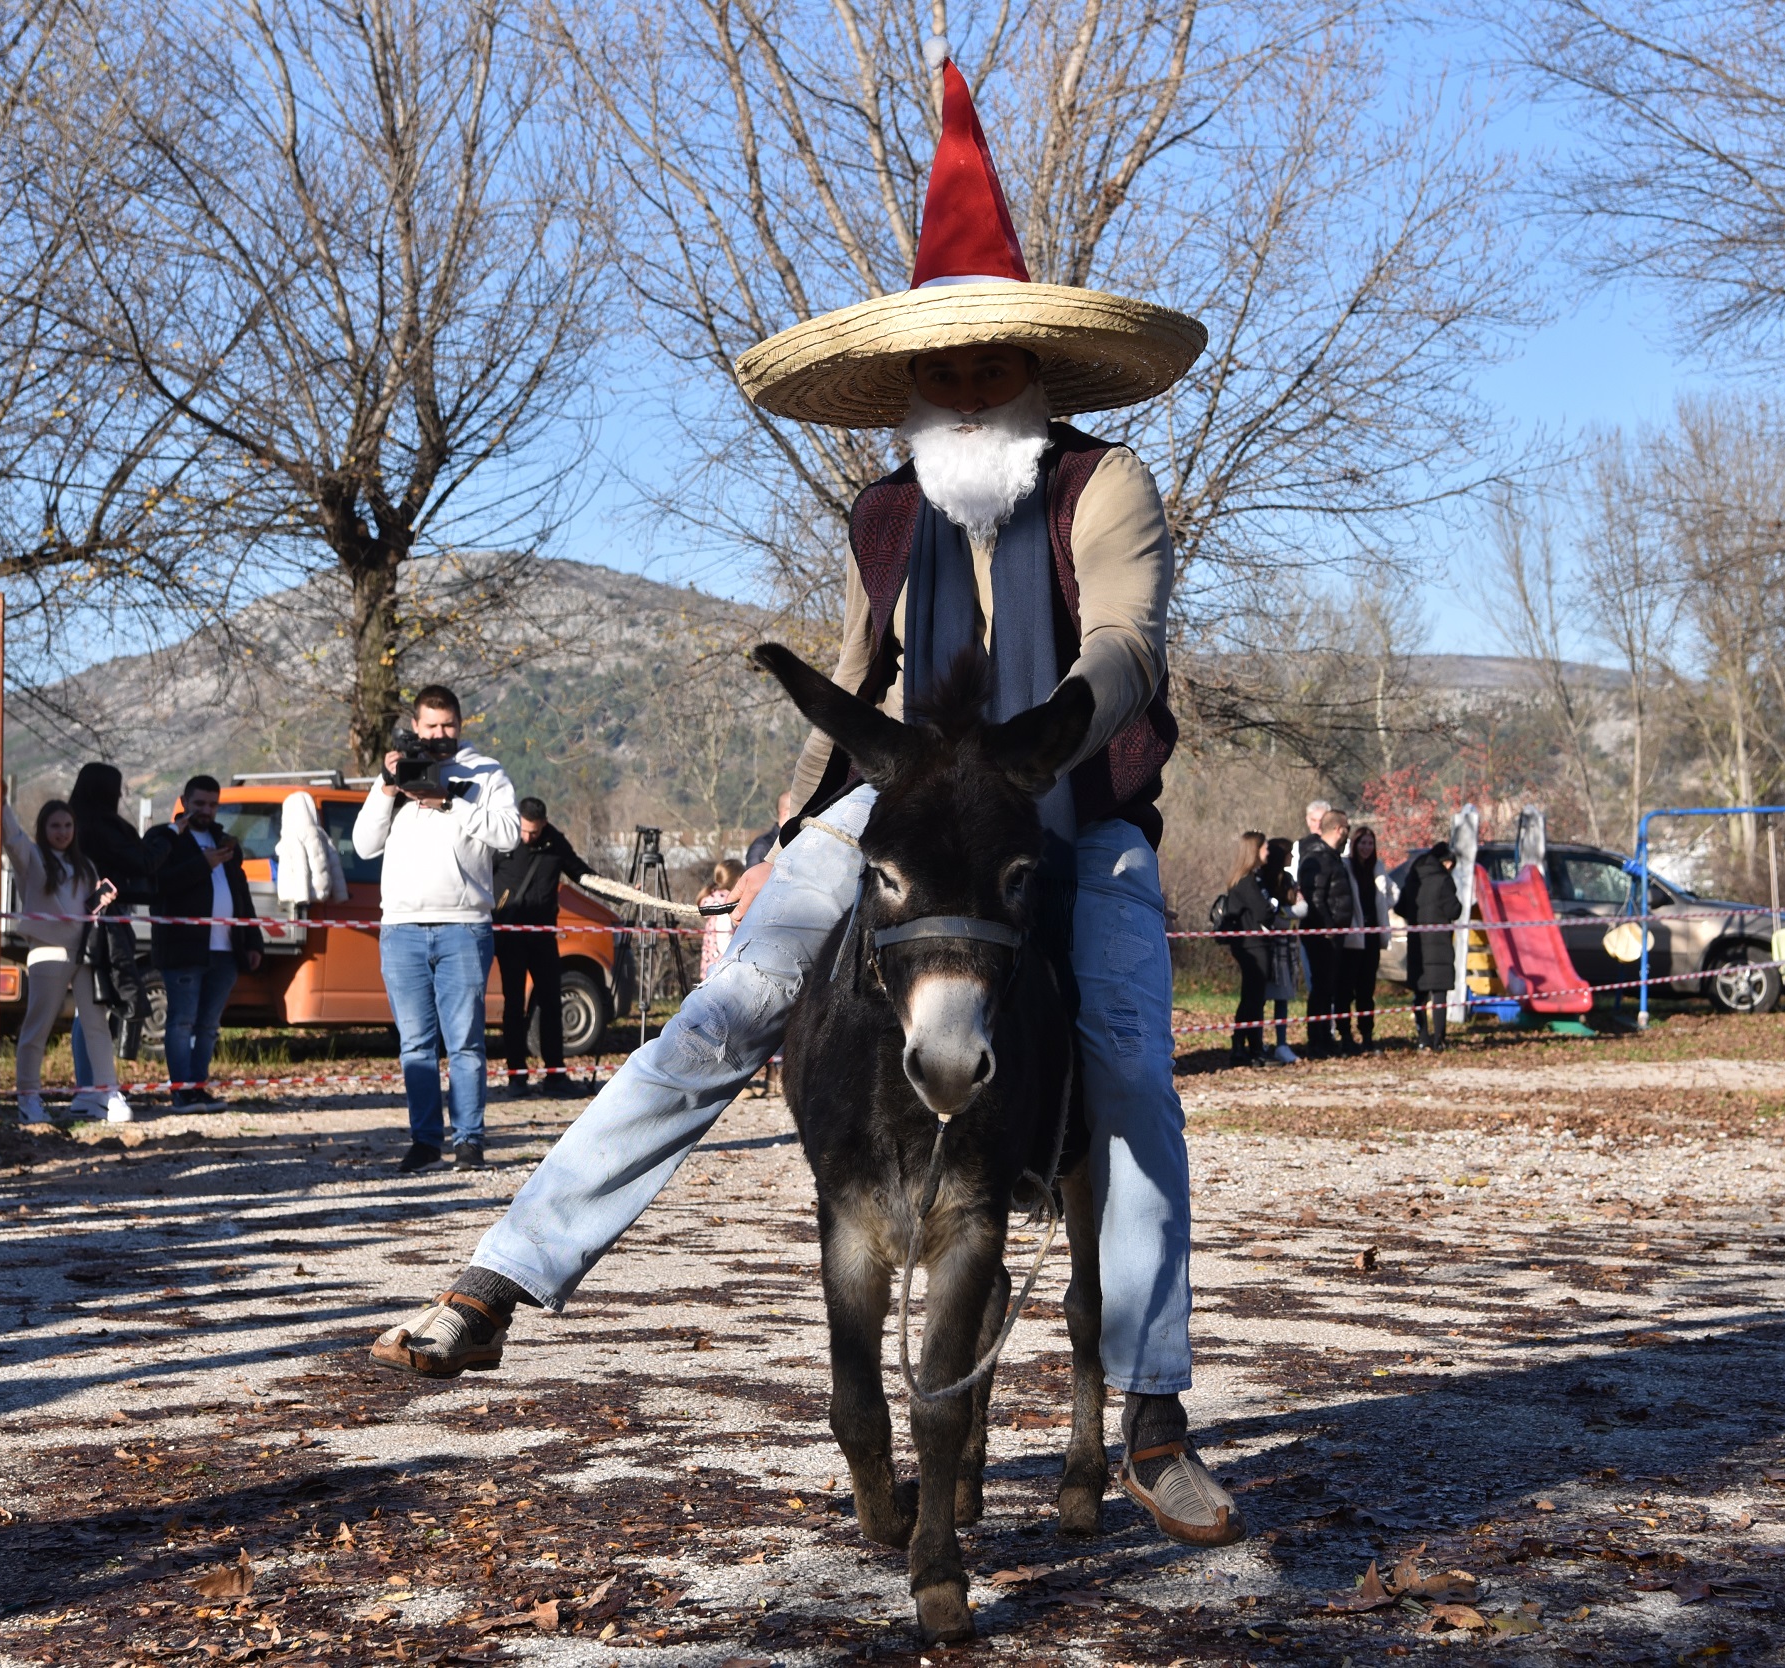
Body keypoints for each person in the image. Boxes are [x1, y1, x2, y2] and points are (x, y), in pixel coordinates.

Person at [363, 55, 1246, 1550]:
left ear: (1034, 368)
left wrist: (1046, 742)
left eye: (991, 364)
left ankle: (1152, 1414)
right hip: (894, 808)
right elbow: (855, 676)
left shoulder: (1106, 483)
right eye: (942, 370)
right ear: (910, 388)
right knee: (727, 1008)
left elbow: (1127, 645)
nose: (967, 388)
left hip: (1069, 808)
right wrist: (788, 827)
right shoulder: (883, 511)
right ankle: (502, 1277)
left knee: (1130, 1069)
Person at [355, 684, 521, 1170]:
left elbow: (509, 833)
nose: (439, 734)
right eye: (430, 726)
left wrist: (447, 799)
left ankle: (468, 1140)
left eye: (448, 725)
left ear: (460, 724)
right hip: (402, 927)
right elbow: (364, 845)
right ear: (415, 725)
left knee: (465, 1042)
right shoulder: (397, 773)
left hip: (463, 927)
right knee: (415, 1045)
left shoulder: (485, 772)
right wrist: (387, 787)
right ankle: (425, 1141)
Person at [1, 798, 131, 1124]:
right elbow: (12, 837)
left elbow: (87, 910)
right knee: (38, 1026)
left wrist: (102, 899)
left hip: (85, 953)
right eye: (55, 826)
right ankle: (28, 1096)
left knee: (96, 1024)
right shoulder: (31, 857)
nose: (62, 832)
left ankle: (106, 1091)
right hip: (48, 950)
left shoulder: (85, 865)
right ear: (43, 829)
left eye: (67, 825)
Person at [142, 775, 265, 1111]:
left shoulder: (225, 842)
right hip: (183, 948)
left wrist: (253, 941)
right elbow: (156, 885)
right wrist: (202, 864)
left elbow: (241, 894)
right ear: (184, 802)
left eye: (212, 804)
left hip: (225, 950)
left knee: (209, 1026)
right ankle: (182, 1092)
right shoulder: (164, 838)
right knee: (181, 1021)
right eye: (199, 804)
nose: (206, 810)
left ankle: (198, 1088)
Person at [492, 796, 593, 1098]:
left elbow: (581, 873)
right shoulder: (503, 839)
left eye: (534, 832)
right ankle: (516, 1077)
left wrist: (620, 893)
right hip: (509, 937)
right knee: (513, 1006)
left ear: (544, 825)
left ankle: (555, 1075)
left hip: (543, 937)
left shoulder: (555, 842)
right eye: (524, 831)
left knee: (551, 1003)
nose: (527, 837)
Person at [65, 762, 151, 1106]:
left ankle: (92, 1084)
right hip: (104, 922)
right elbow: (138, 862)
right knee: (93, 1008)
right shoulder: (102, 829)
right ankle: (92, 1087)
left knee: (90, 1008)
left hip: (89, 922)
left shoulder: (74, 825)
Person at [1213, 832, 1278, 1066]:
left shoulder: (1253, 879)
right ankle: (1247, 1048)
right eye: (1265, 847)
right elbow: (1263, 912)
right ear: (1254, 850)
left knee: (1254, 998)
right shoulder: (1247, 882)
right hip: (1252, 945)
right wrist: (1274, 906)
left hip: (1255, 943)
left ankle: (1249, 1046)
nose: (1268, 852)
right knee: (1253, 998)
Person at [1395, 839, 1461, 1049]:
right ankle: (1439, 1040)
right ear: (1446, 863)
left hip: (1417, 941)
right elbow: (1454, 910)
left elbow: (1399, 907)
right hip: (1439, 943)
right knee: (1439, 992)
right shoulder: (1443, 880)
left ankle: (1423, 1038)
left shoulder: (1413, 877)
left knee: (1420, 992)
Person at [1296, 807, 1352, 1056]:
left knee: (1328, 988)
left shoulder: (1333, 857)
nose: (1348, 833)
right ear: (1339, 829)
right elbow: (1315, 898)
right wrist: (1328, 928)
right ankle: (1316, 1040)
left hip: (1335, 935)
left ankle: (1326, 1037)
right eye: (1347, 828)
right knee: (1320, 989)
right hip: (1321, 935)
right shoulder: (1317, 858)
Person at [1340, 825, 1390, 1050]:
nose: (1367, 848)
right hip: (1352, 937)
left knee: (1367, 989)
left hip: (1372, 936)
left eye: (1370, 843)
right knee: (1345, 988)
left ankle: (1367, 1034)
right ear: (1355, 844)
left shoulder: (1377, 868)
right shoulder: (1346, 866)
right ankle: (1345, 1035)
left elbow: (1392, 894)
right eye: (1363, 843)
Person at [1260, 836, 1305, 1064]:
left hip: (1287, 946)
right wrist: (1288, 913)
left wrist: (1287, 913)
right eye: (1289, 853)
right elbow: (1272, 915)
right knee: (1260, 998)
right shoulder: (1263, 881)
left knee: (1283, 997)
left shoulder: (1289, 879)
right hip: (1268, 946)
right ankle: (1257, 1041)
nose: (1293, 856)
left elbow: (1302, 908)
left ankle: (1281, 1042)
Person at [695, 858, 745, 984]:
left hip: (710, 967)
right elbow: (724, 940)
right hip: (721, 971)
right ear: (738, 879)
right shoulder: (727, 903)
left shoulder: (715, 898)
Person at [742, 791, 794, 870]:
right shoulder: (761, 846)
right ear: (785, 813)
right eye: (800, 810)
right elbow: (753, 875)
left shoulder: (800, 843)